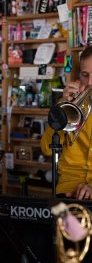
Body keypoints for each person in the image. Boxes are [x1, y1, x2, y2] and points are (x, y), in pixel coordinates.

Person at [41, 46, 92, 200]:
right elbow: (47, 149)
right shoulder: (70, 105)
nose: (90, 82)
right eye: (85, 75)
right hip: (69, 187)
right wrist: (62, 107)